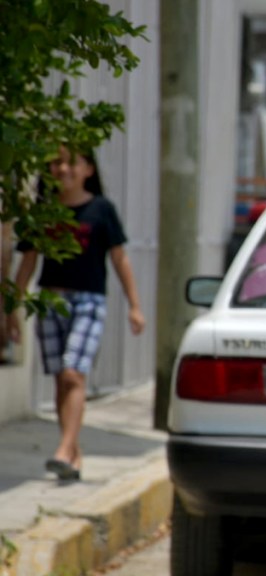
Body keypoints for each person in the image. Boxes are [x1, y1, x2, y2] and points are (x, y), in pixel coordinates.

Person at [6, 146, 145, 481]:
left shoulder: (101, 209)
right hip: (50, 300)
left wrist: (135, 306)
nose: (64, 169)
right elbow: (27, 262)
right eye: (56, 162)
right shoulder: (44, 212)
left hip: (88, 302)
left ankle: (63, 450)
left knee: (73, 374)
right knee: (60, 380)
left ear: (88, 169)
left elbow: (120, 258)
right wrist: (12, 310)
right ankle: (73, 452)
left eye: (72, 162)